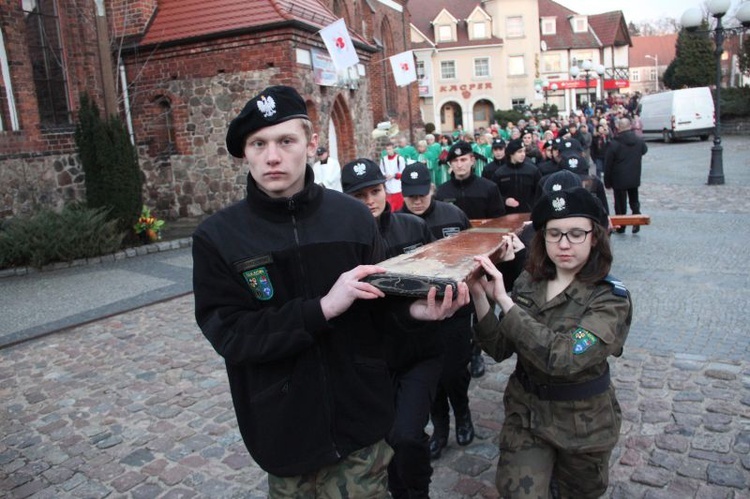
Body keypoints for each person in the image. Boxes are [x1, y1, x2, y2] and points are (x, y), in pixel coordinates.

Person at [192, 85, 469, 498]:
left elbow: (381, 313)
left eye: (286, 140)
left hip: (360, 426)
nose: (272, 156)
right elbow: (230, 333)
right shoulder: (219, 237)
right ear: (245, 152)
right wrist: (320, 309)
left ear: (311, 143)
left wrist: (414, 315)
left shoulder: (353, 219)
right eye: (258, 143)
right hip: (284, 432)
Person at [467, 187, 632, 498]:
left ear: (594, 236)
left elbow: (565, 357)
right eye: (554, 234)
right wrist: (480, 295)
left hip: (583, 424)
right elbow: (500, 348)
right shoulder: (530, 281)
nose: (564, 244)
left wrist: (504, 300)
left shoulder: (610, 298)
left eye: (575, 234)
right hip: (528, 414)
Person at [341, 158, 441, 499]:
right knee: (384, 437)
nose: (369, 201)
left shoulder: (412, 228)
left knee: (407, 435)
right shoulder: (341, 243)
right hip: (372, 360)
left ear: (386, 190)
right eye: (358, 196)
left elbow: (437, 277)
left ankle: (416, 492)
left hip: (418, 350)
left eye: (375, 191)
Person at [399, 163, 477, 460]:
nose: (417, 201)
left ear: (431, 189)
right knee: (429, 377)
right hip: (418, 317)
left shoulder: (452, 215)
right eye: (410, 196)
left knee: (456, 371)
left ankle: (463, 413)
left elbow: (473, 251)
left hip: (455, 310)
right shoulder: (398, 222)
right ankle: (440, 426)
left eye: (421, 195)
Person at [435, 140, 506, 380]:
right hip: (452, 261)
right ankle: (458, 348)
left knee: (482, 306)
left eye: (463, 159)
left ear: (472, 160)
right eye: (455, 161)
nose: (459, 164)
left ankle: (476, 350)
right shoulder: (443, 192)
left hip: (483, 258)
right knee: (456, 307)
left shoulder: (488, 188)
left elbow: (499, 224)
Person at [604, 117, 648, 233]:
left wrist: (607, 181)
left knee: (620, 203)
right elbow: (644, 150)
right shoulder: (638, 140)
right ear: (630, 127)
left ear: (618, 128)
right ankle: (636, 219)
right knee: (634, 201)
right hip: (634, 175)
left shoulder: (614, 143)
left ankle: (621, 226)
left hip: (618, 178)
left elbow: (608, 163)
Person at [491, 138, 542, 215]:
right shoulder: (500, 173)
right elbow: (493, 195)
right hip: (506, 215)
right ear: (511, 153)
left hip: (529, 213)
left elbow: (540, 192)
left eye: (524, 151)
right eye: (519, 152)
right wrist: (505, 200)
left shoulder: (533, 170)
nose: (523, 154)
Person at [380, 142, 407, 211]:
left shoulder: (400, 159)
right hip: (388, 187)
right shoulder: (383, 160)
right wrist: (385, 175)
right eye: (387, 149)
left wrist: (394, 175)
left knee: (399, 208)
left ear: (393, 149)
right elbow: (381, 171)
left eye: (390, 149)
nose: (388, 151)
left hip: (397, 187)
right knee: (390, 208)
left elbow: (403, 172)